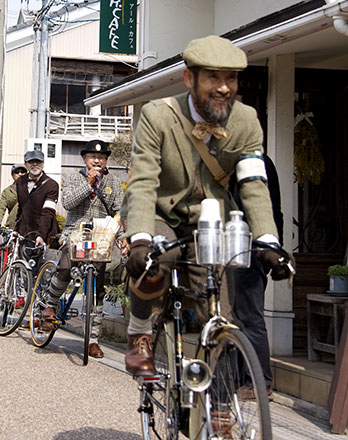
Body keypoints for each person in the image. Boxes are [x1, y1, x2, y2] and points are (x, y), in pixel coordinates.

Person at [123, 35, 294, 379]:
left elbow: (253, 185)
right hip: (160, 212)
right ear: (190, 78)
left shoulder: (246, 120)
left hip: (211, 223)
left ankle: (218, 410)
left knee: (219, 314)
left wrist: (268, 242)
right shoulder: (158, 115)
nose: (224, 88)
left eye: (230, 78)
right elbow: (143, 181)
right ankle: (140, 327)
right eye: (213, 77)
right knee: (155, 260)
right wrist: (139, 237)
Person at [40, 140, 124, 358]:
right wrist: (88, 183)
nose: (97, 161)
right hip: (75, 233)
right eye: (92, 157)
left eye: (102, 158)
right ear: (84, 159)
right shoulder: (75, 177)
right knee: (66, 266)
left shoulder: (113, 183)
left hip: (101, 237)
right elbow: (67, 203)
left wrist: (123, 240)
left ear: (106, 161)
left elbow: (119, 213)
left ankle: (93, 339)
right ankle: (50, 306)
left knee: (98, 286)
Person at [232, 154, 283, 400]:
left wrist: (270, 250)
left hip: (251, 247)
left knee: (250, 315)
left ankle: (259, 382)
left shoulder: (255, 162)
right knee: (239, 315)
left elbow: (269, 210)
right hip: (240, 246)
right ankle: (242, 379)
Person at [14, 150, 59, 249]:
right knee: (20, 264)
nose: (35, 164)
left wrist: (41, 235)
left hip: (45, 235)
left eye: (38, 162)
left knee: (45, 263)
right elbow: (21, 208)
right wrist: (16, 230)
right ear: (25, 164)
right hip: (24, 235)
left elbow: (48, 212)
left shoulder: (51, 185)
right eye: (31, 162)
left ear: (43, 164)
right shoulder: (20, 182)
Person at [0, 163, 27, 235]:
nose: (20, 174)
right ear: (12, 175)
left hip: (29, 227)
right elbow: (1, 208)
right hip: (13, 226)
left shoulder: (32, 188)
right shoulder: (7, 191)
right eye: (17, 172)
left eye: (22, 172)